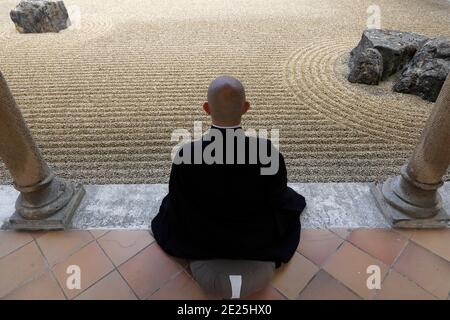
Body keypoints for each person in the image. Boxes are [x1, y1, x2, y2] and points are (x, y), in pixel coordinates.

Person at [151, 76, 306, 299]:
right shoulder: (268, 153)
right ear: (245, 108)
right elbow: (278, 199)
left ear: (206, 108)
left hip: (202, 241)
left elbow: (178, 203)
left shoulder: (186, 155)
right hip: (258, 242)